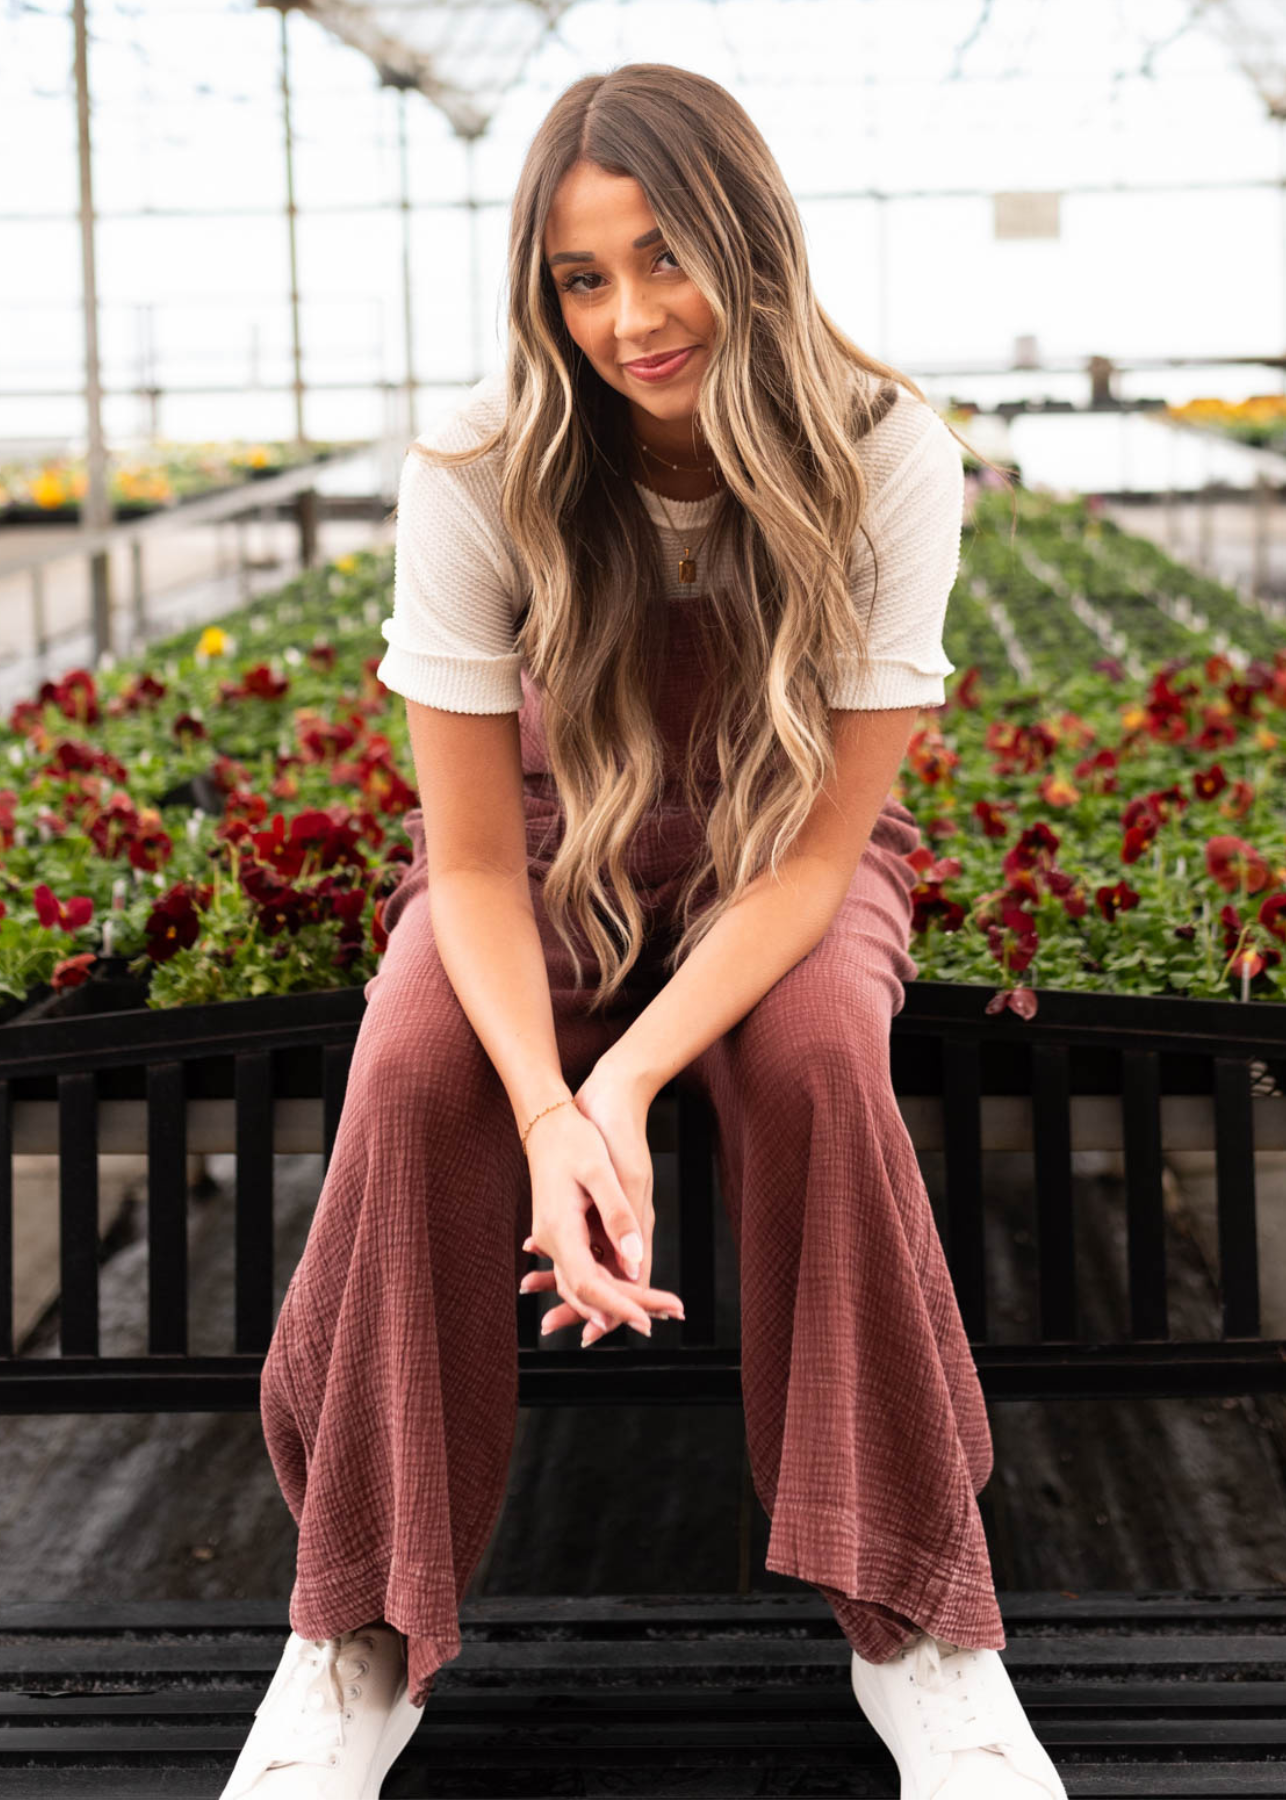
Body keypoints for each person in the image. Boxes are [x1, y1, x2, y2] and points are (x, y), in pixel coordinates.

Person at [219, 62, 1065, 1800]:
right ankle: (352, 1637)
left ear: (752, 241)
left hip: (780, 854)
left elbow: (824, 848)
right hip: (535, 854)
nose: (628, 318)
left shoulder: (883, 450)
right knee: (412, 1074)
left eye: (663, 256)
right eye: (578, 278)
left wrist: (629, 1090)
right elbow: (463, 865)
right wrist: (548, 1102)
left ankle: (920, 1634)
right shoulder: (477, 466)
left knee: (823, 1055)